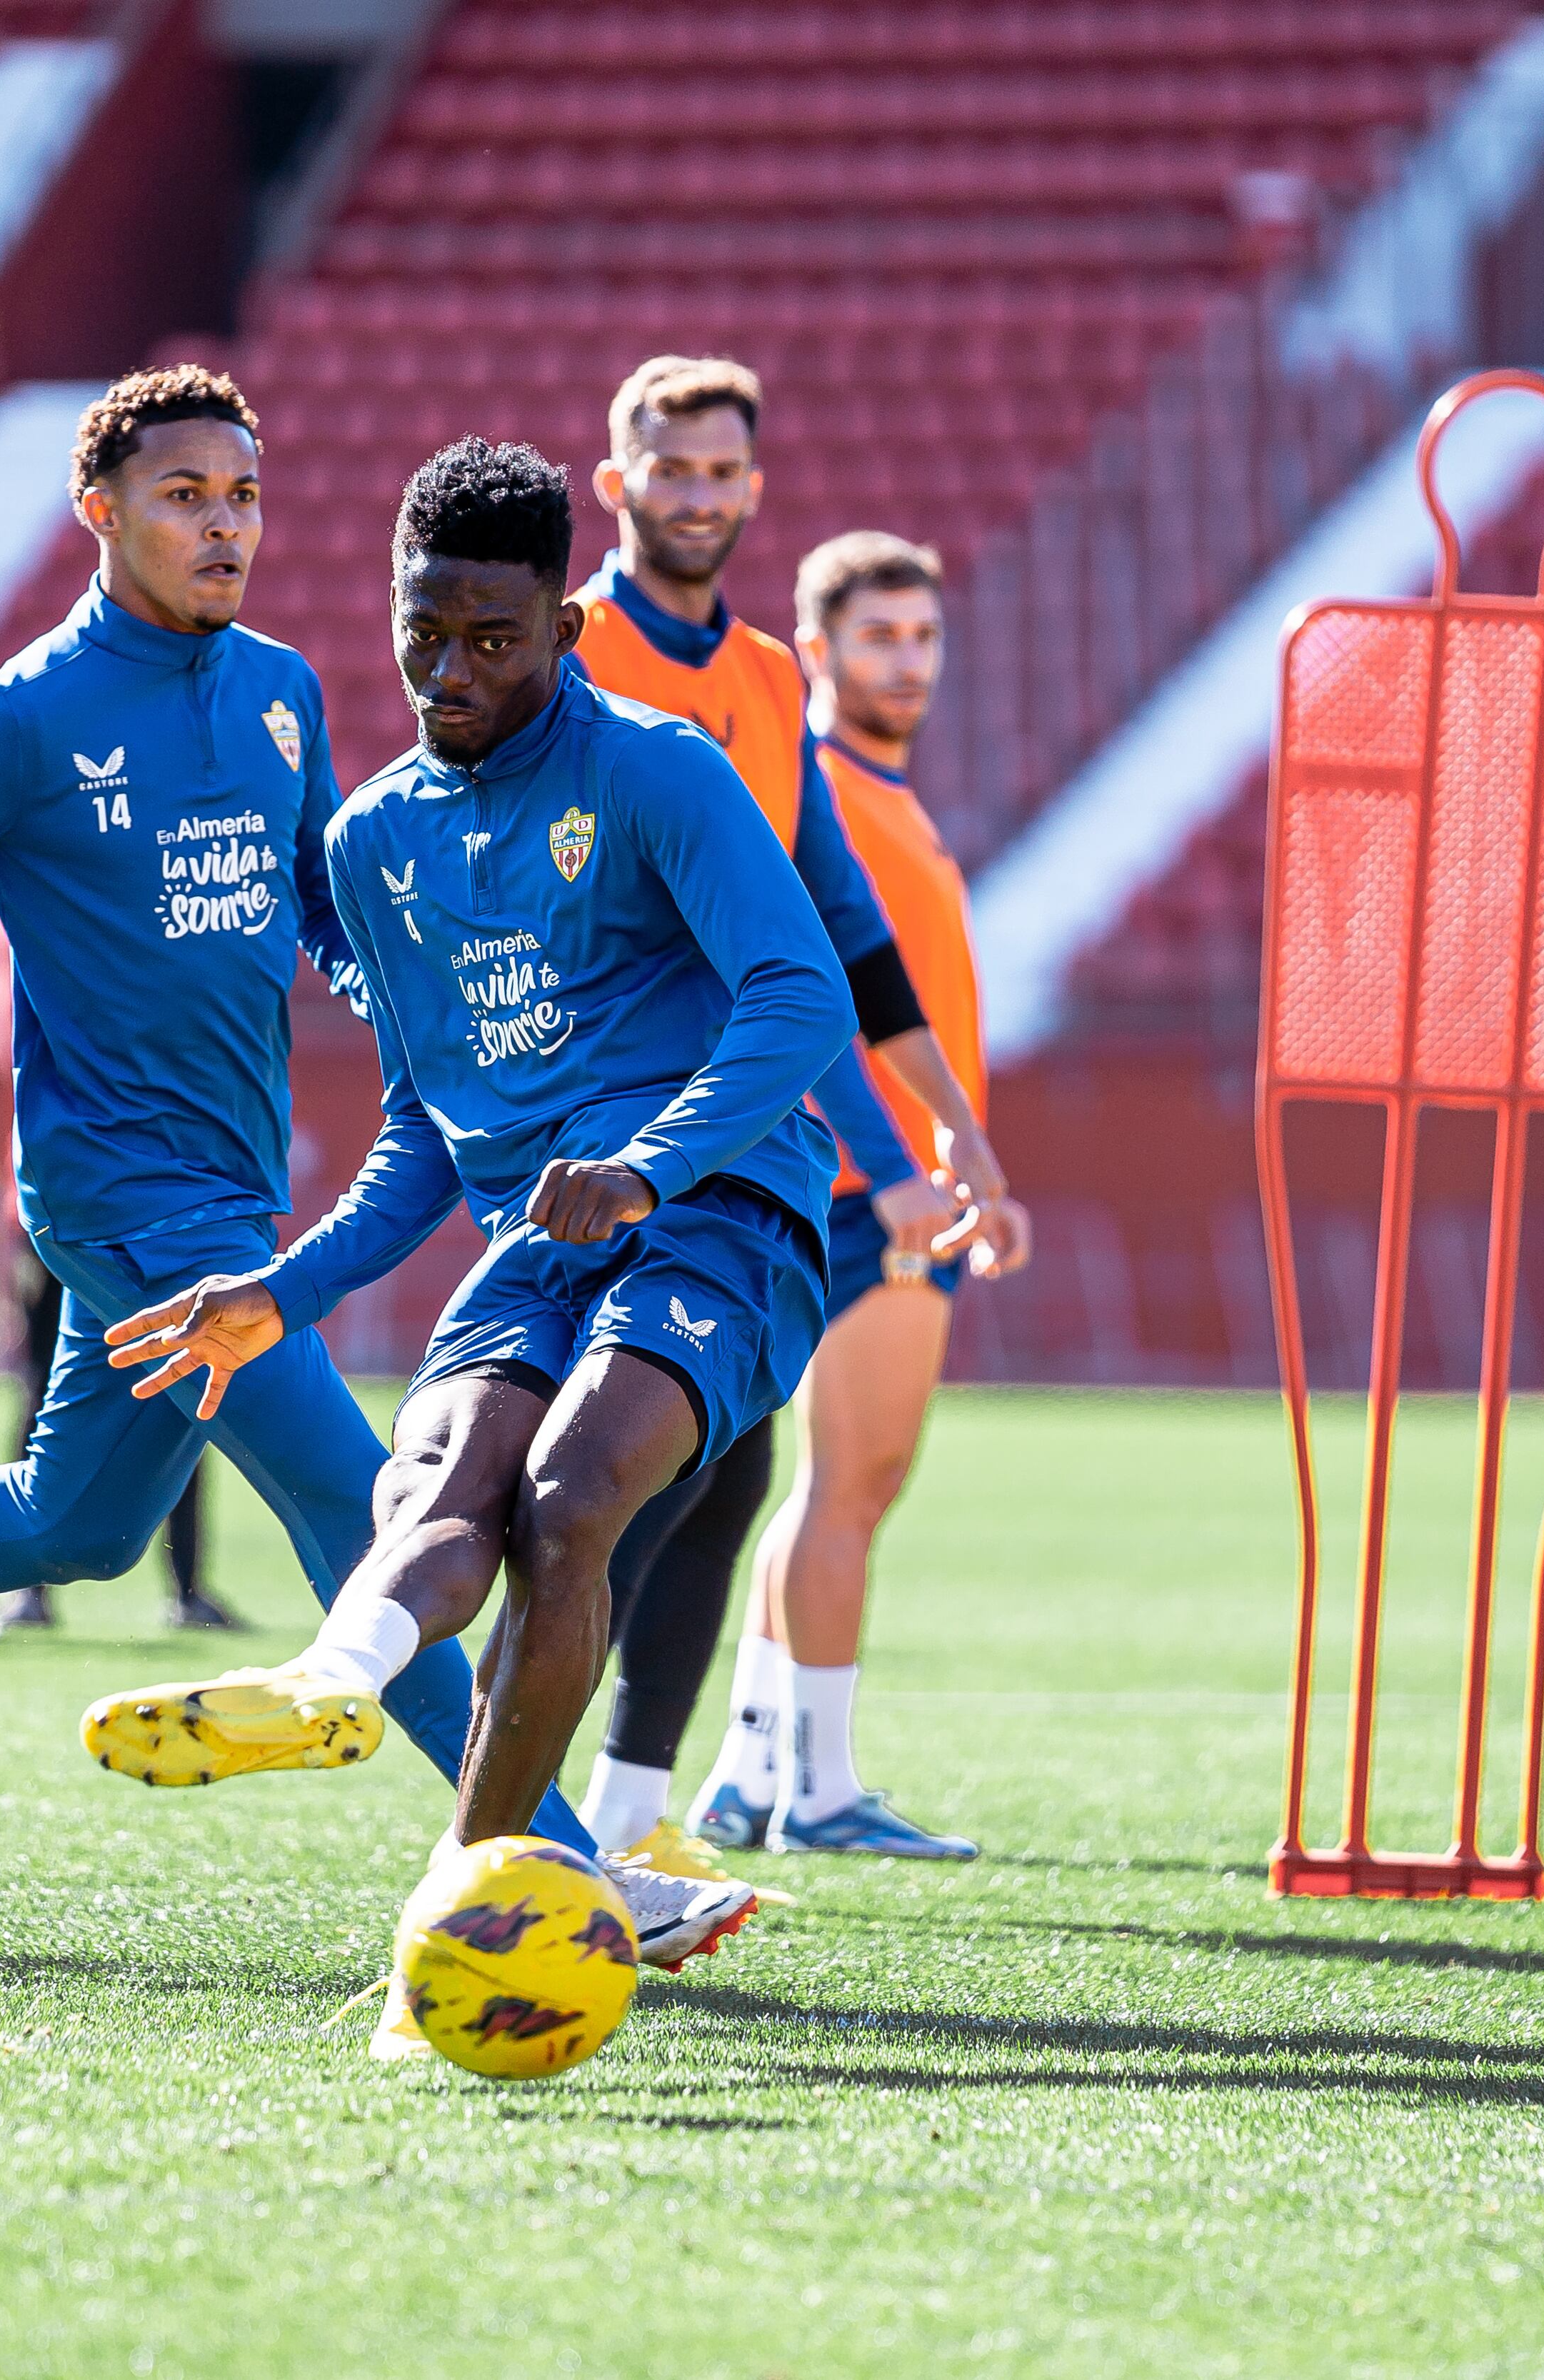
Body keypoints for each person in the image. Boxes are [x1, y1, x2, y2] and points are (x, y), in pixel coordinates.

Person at [0, 368, 596, 1872]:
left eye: (242, 495)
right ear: (97, 513)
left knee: (75, 1524)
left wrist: (423, 1011)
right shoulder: (18, 719)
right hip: (119, 1198)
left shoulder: (283, 690)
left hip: (234, 1187)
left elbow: (321, 909)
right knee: (363, 1513)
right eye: (183, 498)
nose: (224, 526)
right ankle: (557, 1860)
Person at [81, 438, 851, 2022]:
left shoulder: (656, 767)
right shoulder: (372, 842)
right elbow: (424, 1127)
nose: (447, 669)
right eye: (419, 629)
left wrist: (645, 1162)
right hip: (539, 1238)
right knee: (435, 1479)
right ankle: (331, 1679)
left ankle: (454, 1900)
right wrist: (276, 1292)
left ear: (565, 631)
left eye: (492, 639)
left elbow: (797, 992)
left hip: (726, 1212)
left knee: (569, 1502)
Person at [561, 357, 1021, 1867]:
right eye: (669, 470)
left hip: (741, 1145)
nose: (697, 495)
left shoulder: (758, 679)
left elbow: (829, 939)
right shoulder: (571, 655)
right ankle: (517, 1812)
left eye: (721, 473)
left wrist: (949, 1124)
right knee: (592, 1488)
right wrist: (888, 1161)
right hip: (595, 1135)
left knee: (717, 1471)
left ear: (753, 490)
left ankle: (628, 1826)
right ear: (615, 483)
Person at [688, 533, 1031, 1859]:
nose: (909, 660)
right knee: (855, 1483)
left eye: (925, 636)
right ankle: (818, 1792)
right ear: (816, 651)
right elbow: (816, 996)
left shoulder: (883, 794)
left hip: (873, 1178)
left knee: (820, 1489)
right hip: (856, 1186)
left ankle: (752, 1768)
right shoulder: (826, 789)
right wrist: (905, 1168)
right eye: (880, 636)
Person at [0, 921, 234, 1642]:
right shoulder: (32, 912)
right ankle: (32, 1586)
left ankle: (183, 1589)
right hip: (75, 1200)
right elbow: (23, 1052)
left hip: (144, 1195)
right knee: (54, 1392)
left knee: (184, 1378)